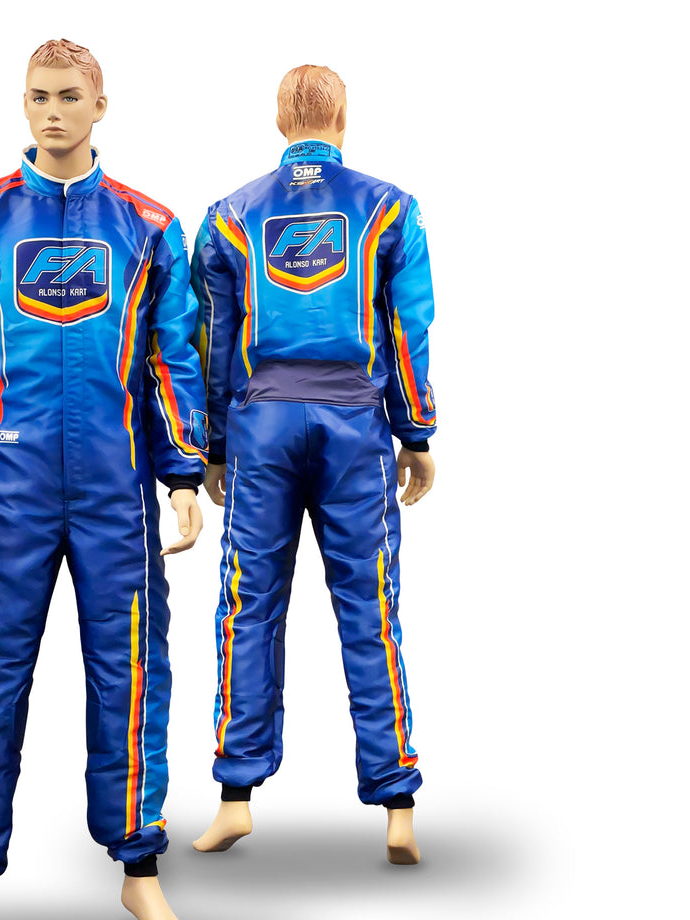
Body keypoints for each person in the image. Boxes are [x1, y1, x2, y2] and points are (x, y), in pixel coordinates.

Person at [0, 39, 207, 920]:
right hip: (13, 488)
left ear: (100, 106)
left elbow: (171, 355)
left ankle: (139, 872)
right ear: (24, 104)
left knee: (132, 677)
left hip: (117, 490)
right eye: (39, 97)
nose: (52, 112)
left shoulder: (148, 227)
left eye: (70, 97)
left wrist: (184, 474)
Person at [189, 64, 436, 865]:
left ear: (278, 121)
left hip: (260, 426)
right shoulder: (390, 207)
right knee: (369, 605)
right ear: (343, 119)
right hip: (354, 426)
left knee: (248, 604)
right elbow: (407, 329)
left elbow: (210, 339)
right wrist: (416, 432)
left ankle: (235, 796)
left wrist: (212, 444)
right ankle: (397, 807)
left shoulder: (229, 217)